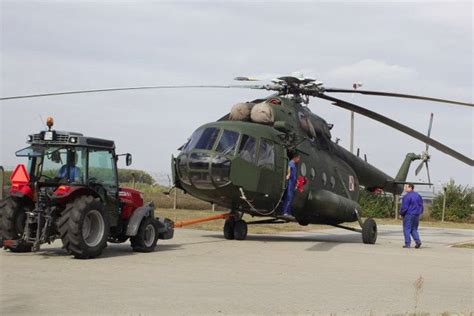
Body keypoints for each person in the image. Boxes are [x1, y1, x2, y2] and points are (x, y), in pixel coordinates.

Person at [400, 183, 424, 248]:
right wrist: (420, 212)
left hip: (409, 215)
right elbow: (421, 205)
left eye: (406, 187)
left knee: (407, 229)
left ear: (410, 188)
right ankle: (418, 241)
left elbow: (404, 207)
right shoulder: (418, 195)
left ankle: (407, 244)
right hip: (416, 215)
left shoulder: (406, 196)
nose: (404, 188)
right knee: (414, 229)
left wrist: (401, 213)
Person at [281, 152, 301, 218]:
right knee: (288, 197)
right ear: (295, 157)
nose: (299, 160)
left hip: (293, 183)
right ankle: (285, 212)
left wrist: (296, 183)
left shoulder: (294, 164)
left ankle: (288, 212)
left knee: (290, 197)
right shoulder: (291, 162)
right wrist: (288, 174)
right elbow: (289, 168)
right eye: (298, 158)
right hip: (290, 182)